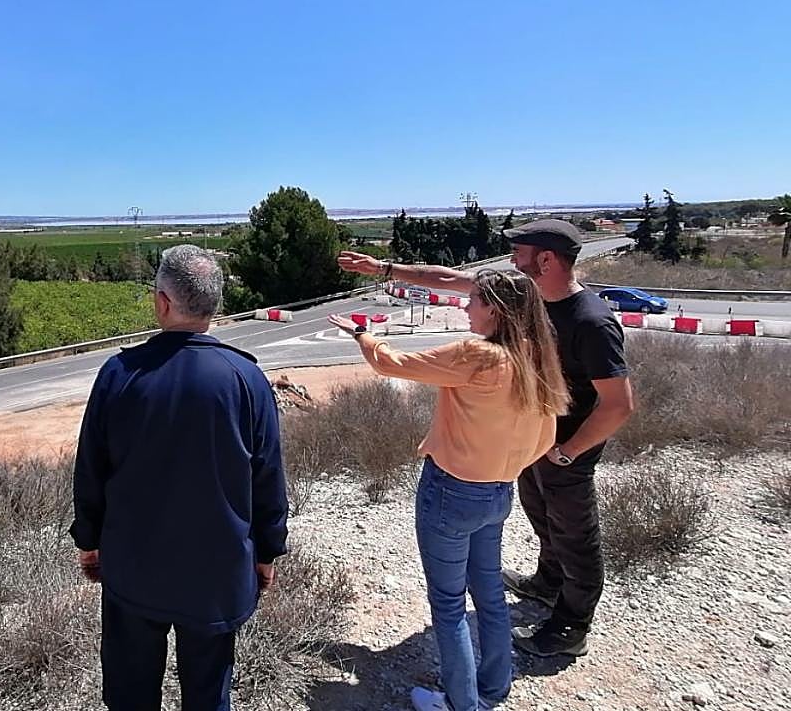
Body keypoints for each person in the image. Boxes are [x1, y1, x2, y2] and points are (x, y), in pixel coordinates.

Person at [337, 219, 634, 658]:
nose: (512, 261)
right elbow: (445, 277)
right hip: (529, 443)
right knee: (541, 516)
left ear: (547, 260)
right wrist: (384, 268)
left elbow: (618, 404)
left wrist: (568, 453)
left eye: (520, 254)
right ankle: (547, 582)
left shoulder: (590, 321)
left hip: (567, 449)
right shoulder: (522, 296)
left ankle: (572, 625)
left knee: (575, 532)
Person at [330, 268, 570, 711]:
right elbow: (545, 436)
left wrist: (362, 335)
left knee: (448, 604)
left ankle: (462, 703)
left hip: (451, 492)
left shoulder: (477, 356)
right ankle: (494, 687)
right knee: (490, 594)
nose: (465, 305)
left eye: (474, 299)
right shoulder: (536, 358)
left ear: (494, 310)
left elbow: (393, 363)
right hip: (498, 492)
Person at [70, 244, 288, 711]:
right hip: (217, 573)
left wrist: (88, 540)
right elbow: (268, 478)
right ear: (214, 304)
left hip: (133, 569)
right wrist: (268, 551)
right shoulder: (246, 379)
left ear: (163, 302)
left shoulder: (120, 373)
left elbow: (91, 468)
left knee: (130, 694)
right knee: (209, 695)